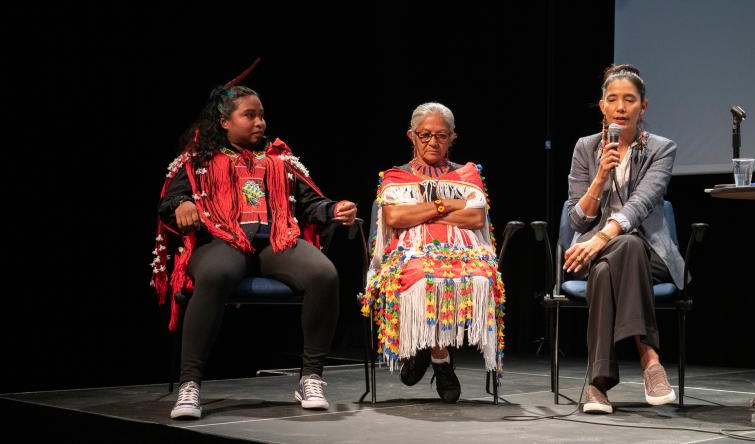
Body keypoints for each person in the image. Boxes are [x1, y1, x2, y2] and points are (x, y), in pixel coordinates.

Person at [150, 64, 356, 419]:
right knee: (214, 275)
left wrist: (335, 209)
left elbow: (310, 204)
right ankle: (191, 385)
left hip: (276, 241)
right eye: (250, 115)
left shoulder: (281, 160)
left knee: (324, 274)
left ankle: (311, 377)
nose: (260, 122)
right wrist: (183, 204)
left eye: (261, 115)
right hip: (220, 240)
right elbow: (170, 201)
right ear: (225, 122)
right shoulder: (198, 160)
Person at [361, 102, 505, 403]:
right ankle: (441, 360)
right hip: (407, 252)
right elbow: (395, 219)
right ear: (411, 136)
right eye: (425, 135)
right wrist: (446, 205)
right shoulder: (395, 176)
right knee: (422, 275)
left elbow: (476, 218)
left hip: (463, 251)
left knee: (478, 276)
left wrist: (420, 212)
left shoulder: (467, 174)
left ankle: (427, 352)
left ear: (452, 137)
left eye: (441, 135)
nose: (432, 142)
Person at [563, 63, 684, 414]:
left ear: (642, 107)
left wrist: (599, 240)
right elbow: (575, 217)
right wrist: (600, 179)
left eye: (629, 99)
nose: (620, 107)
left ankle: (598, 382)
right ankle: (649, 358)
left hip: (649, 255)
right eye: (612, 99)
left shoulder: (662, 149)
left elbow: (641, 205)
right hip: (594, 256)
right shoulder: (585, 149)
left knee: (628, 245)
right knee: (609, 264)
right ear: (602, 106)